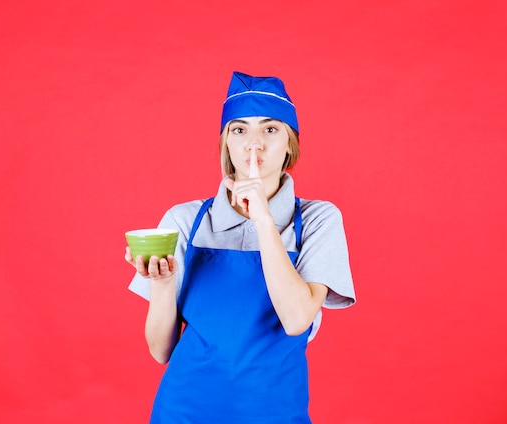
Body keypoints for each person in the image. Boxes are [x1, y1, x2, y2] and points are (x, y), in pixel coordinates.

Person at [125, 71, 356, 423]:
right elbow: (160, 351)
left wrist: (264, 219)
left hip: (275, 413)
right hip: (183, 411)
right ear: (226, 145)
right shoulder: (186, 219)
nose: (254, 144)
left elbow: (296, 320)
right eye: (239, 130)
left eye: (270, 129)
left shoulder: (317, 219)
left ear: (289, 144)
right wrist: (162, 282)